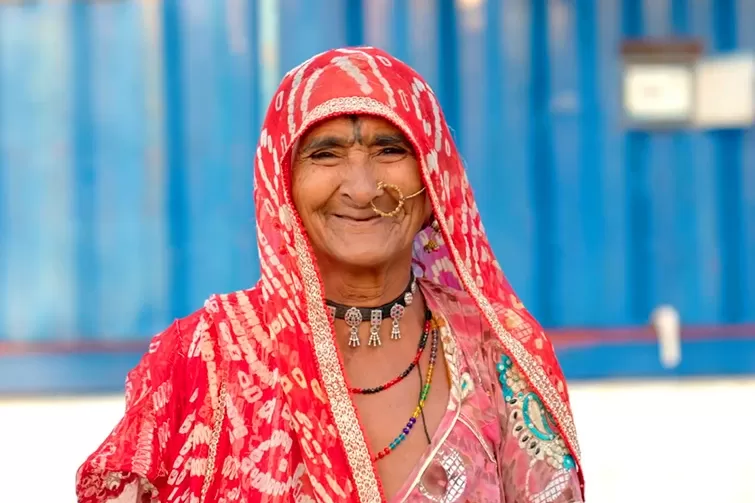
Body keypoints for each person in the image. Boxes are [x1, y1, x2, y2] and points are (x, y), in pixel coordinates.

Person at [76, 47, 584, 503]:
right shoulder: (206, 358)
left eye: (390, 149)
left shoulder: (499, 353)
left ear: (433, 181)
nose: (362, 189)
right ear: (283, 186)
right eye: (325, 153)